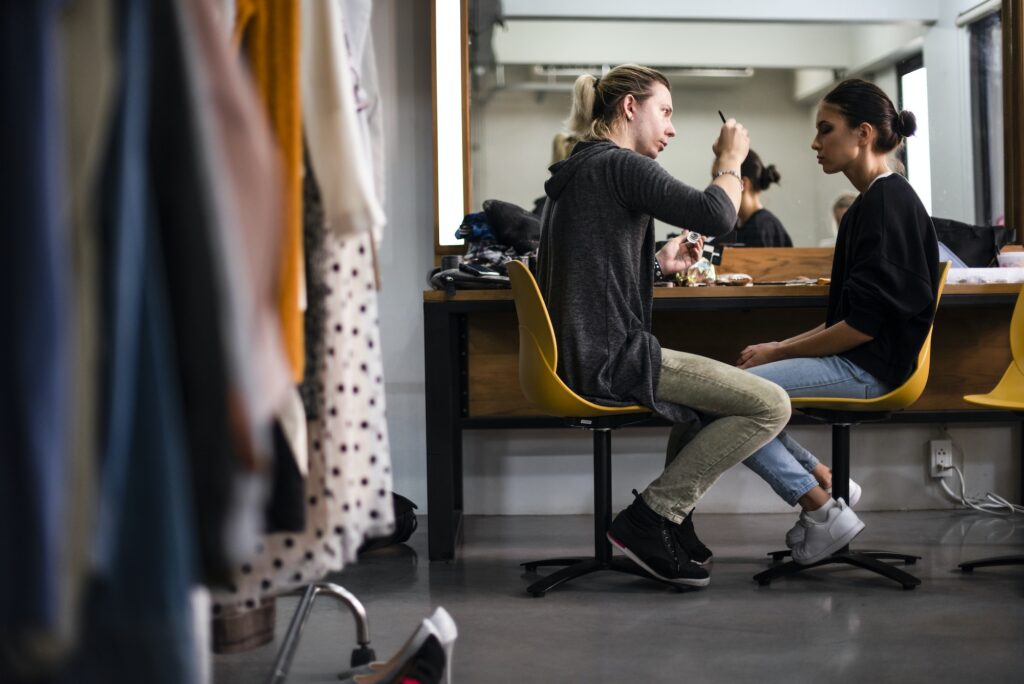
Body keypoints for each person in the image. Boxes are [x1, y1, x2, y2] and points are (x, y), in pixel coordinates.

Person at [536, 64, 791, 588]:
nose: (672, 128)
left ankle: (671, 523)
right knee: (771, 404)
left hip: (585, 353)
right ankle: (653, 517)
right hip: (614, 358)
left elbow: (592, 272)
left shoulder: (581, 169)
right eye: (666, 112)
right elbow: (716, 215)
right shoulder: (621, 165)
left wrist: (657, 264)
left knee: (705, 408)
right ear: (630, 108)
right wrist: (729, 161)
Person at [736, 78, 940, 564]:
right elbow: (853, 318)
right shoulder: (872, 203)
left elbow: (862, 328)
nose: (814, 143)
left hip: (872, 368)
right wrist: (778, 346)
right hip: (866, 358)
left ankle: (822, 509)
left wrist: (780, 351)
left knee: (731, 401)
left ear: (863, 134)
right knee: (737, 391)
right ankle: (824, 481)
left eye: (825, 130)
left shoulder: (886, 206)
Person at [717, 150, 793, 247]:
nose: (713, 186)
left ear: (742, 184)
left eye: (718, 178)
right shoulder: (735, 227)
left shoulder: (763, 228)